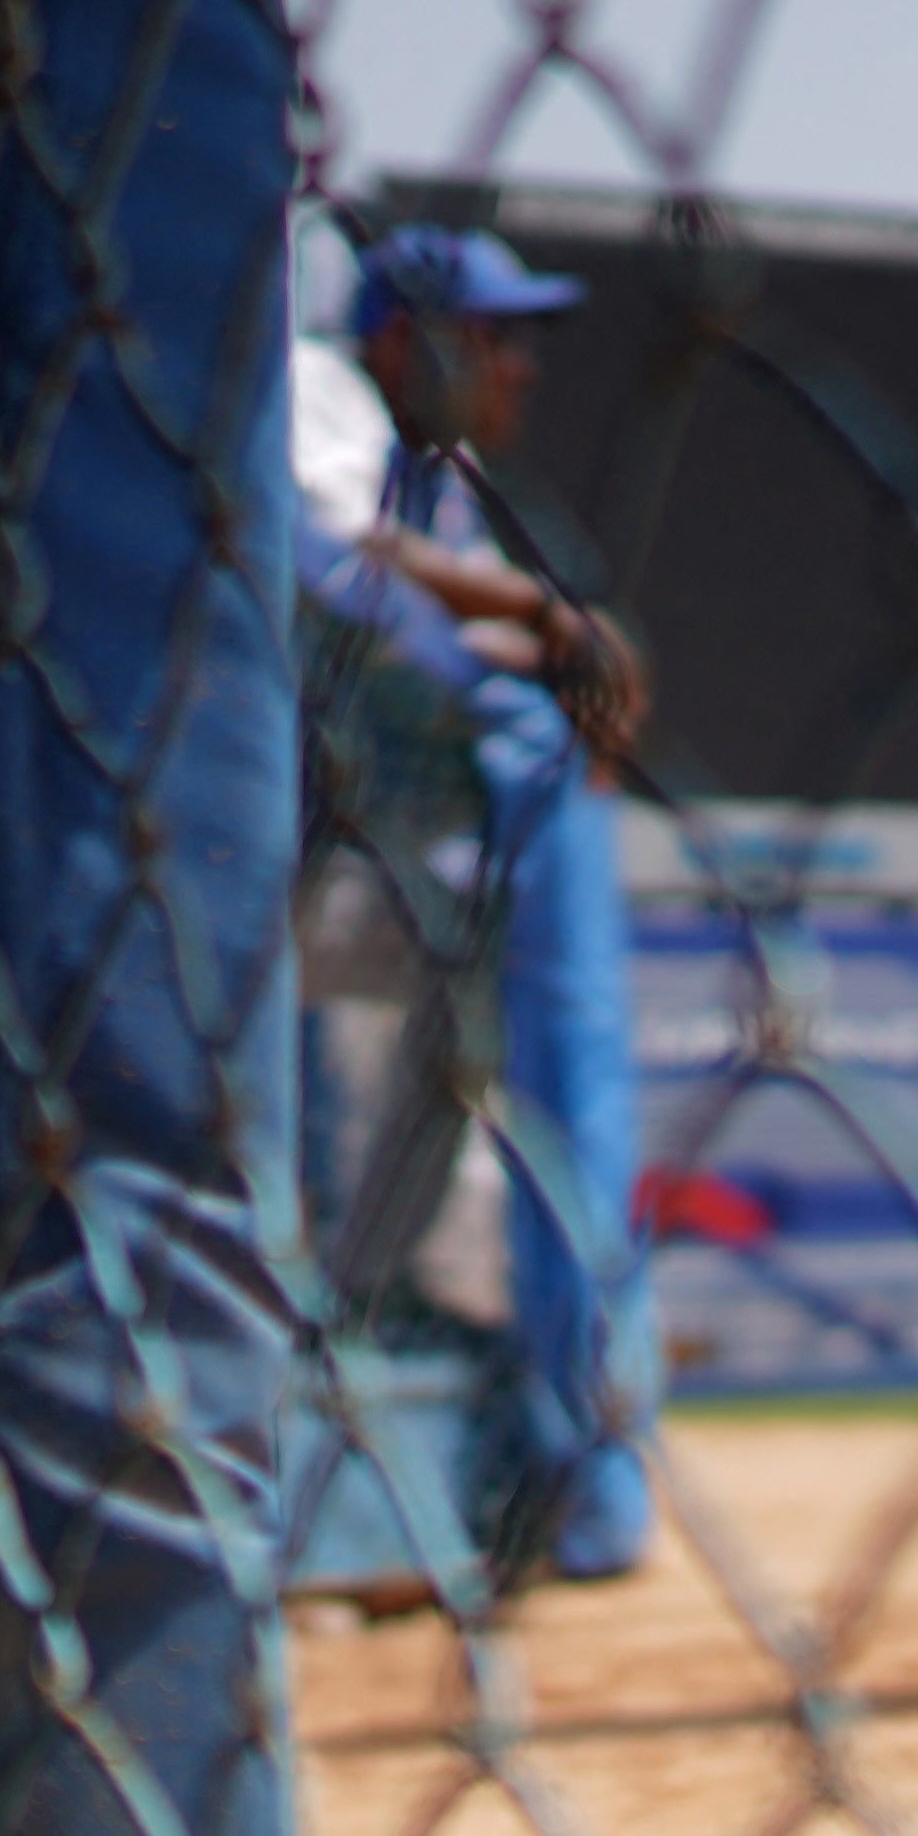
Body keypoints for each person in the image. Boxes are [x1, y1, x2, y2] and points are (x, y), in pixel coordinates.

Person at [290, 219, 662, 1584]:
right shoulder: (318, 399)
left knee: (426, 1185)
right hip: (284, 889)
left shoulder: (439, 483)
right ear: (404, 339)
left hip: (373, 890)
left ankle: (416, 1496)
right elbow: (331, 562)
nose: (520, 368)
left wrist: (544, 633)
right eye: (492, 336)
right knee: (342, 1189)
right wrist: (540, 619)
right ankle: (350, 1505)